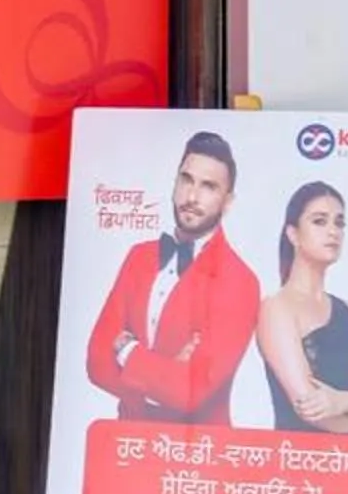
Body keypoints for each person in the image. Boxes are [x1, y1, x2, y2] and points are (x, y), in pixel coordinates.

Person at [84, 132, 259, 424]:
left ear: (227, 202)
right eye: (186, 180)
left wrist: (128, 351)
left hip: (195, 455)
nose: (191, 197)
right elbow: (97, 362)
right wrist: (166, 375)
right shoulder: (138, 257)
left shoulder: (240, 281)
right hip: (127, 444)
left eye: (208, 187)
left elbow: (190, 393)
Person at [255, 180, 348, 434]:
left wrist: (343, 401)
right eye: (319, 221)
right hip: (299, 462)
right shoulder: (276, 308)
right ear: (293, 234)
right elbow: (313, 413)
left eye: (339, 222)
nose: (333, 231)